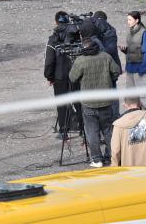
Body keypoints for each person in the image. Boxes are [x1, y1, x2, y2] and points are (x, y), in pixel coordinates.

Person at [69, 26, 121, 168]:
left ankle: (96, 159)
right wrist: (108, 80)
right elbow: (116, 72)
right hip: (105, 101)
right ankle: (111, 157)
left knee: (92, 132)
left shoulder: (80, 61)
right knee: (108, 131)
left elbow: (72, 78)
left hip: (88, 103)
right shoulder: (106, 57)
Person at [44, 11, 79, 138]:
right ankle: (83, 129)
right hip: (76, 74)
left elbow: (49, 61)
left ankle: (64, 130)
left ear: (56, 22)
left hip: (59, 76)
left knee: (62, 103)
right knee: (78, 101)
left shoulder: (53, 39)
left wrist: (49, 76)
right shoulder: (76, 36)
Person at [119, 11, 146, 115]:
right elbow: (135, 50)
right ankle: (135, 117)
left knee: (143, 97)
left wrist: (142, 69)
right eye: (127, 20)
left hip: (139, 69)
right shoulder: (130, 32)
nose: (128, 22)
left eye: (130, 20)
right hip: (130, 68)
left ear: (137, 20)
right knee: (131, 97)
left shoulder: (144, 33)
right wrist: (125, 51)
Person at [111, 96, 146, 167]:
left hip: (129, 169)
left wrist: (114, 167)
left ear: (125, 105)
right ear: (140, 104)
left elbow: (115, 151)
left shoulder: (118, 124)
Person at [92, 11, 122, 118]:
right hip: (111, 66)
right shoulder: (111, 30)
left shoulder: (107, 31)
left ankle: (113, 116)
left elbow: (107, 51)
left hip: (109, 67)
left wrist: (95, 40)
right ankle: (113, 115)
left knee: (112, 92)